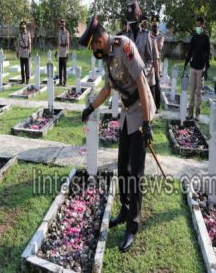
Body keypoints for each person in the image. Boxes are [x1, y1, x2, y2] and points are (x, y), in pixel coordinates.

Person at [79, 14, 154, 252]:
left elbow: (142, 82)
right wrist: (90, 107)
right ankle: (124, 209)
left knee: (135, 173)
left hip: (140, 111)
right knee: (122, 167)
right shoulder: (108, 57)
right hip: (127, 112)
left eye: (94, 47)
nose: (95, 51)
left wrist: (147, 121)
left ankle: (133, 226)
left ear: (100, 40)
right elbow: (108, 88)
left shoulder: (124, 46)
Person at [184, 16, 210, 121]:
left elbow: (208, 53)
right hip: (193, 68)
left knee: (198, 92)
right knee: (192, 92)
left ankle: (197, 114)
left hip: (200, 69)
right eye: (197, 25)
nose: (198, 27)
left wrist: (206, 68)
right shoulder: (194, 37)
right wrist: (186, 63)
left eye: (199, 25)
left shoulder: (206, 38)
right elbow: (190, 51)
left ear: (203, 25)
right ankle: (190, 113)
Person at [126, 1, 153, 90]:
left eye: (133, 21)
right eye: (130, 22)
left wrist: (144, 73)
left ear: (138, 19)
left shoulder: (146, 35)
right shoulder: (126, 36)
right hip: (129, 82)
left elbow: (150, 59)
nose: (132, 24)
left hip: (142, 82)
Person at [151, 15, 164, 112]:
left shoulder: (161, 36)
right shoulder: (148, 35)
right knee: (150, 87)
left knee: (157, 86)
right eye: (153, 25)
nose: (154, 27)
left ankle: (157, 107)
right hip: (149, 65)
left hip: (157, 65)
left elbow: (159, 47)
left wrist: (153, 40)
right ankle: (150, 106)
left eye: (156, 25)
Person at [56, 19, 70, 86]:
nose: (61, 26)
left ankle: (64, 81)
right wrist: (57, 51)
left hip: (64, 51)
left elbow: (68, 43)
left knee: (64, 68)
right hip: (60, 51)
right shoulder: (59, 32)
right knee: (60, 67)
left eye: (62, 25)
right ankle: (60, 81)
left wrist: (68, 52)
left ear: (64, 25)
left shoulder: (66, 33)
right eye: (61, 24)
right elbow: (58, 42)